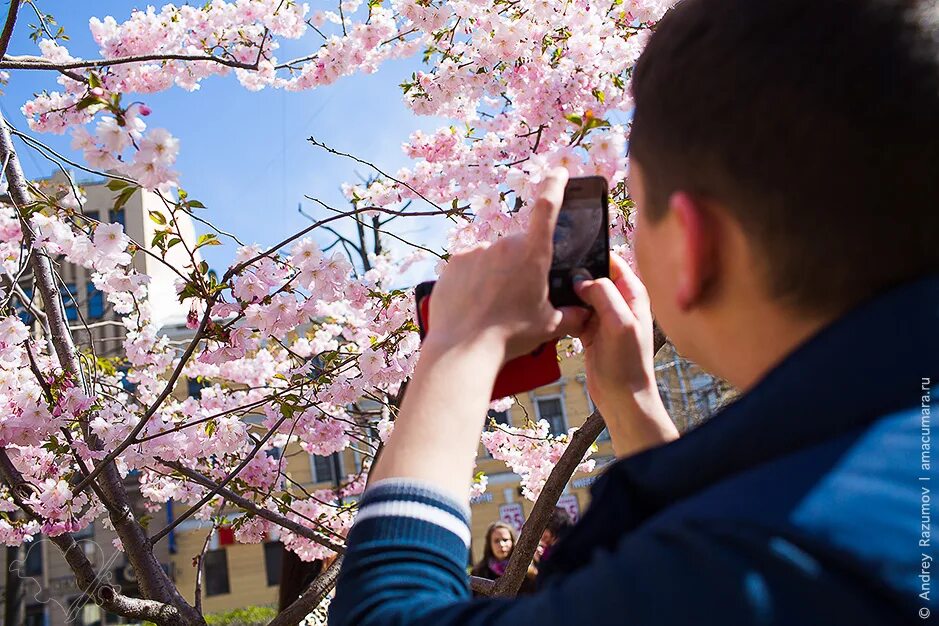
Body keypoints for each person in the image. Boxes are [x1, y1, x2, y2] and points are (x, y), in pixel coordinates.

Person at [330, 0, 939, 624]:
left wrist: (457, 347)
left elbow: (382, 615)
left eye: (639, 208)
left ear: (691, 243)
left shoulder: (764, 567)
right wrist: (632, 404)